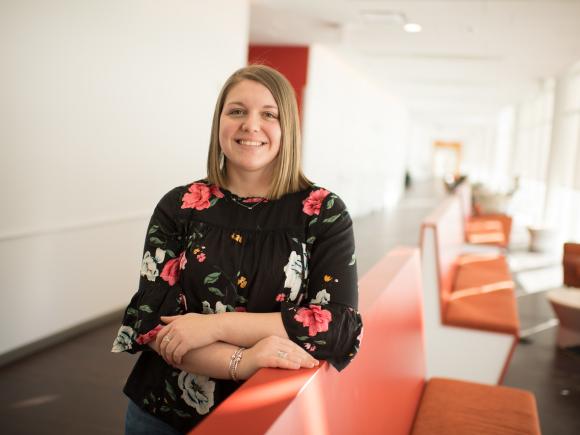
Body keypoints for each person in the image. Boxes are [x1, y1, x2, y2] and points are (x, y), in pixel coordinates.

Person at [112, 64, 363, 434]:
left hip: (271, 416)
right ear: (219, 123)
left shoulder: (323, 212)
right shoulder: (179, 206)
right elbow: (153, 326)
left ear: (287, 128)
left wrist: (215, 326)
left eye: (269, 114)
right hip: (163, 415)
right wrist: (245, 360)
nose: (251, 125)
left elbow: (337, 327)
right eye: (237, 111)